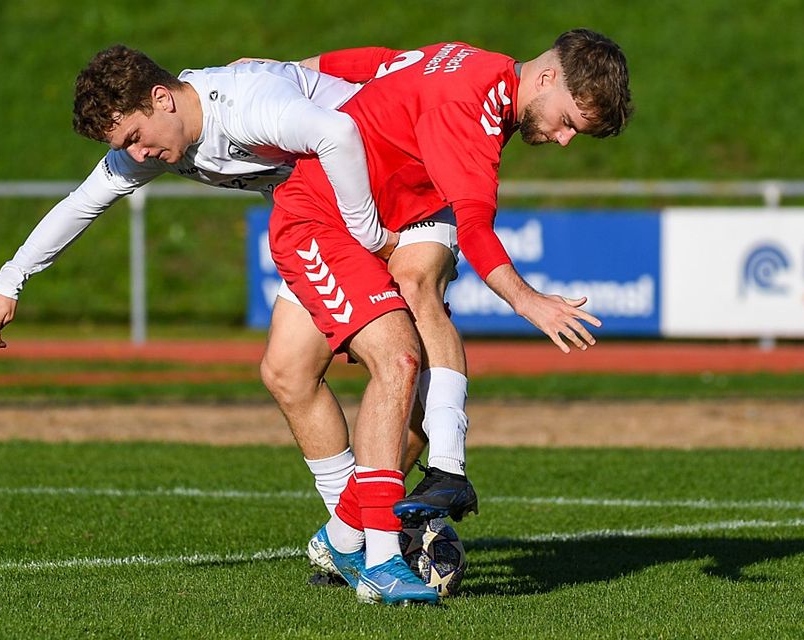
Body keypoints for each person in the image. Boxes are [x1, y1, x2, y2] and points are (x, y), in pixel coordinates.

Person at [0, 45, 471, 588]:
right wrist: (8, 281)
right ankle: (351, 535)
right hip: (324, 215)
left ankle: (390, 521)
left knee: (402, 361)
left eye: (136, 136)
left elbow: (340, 133)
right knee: (288, 371)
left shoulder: (245, 103)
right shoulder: (163, 139)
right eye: (124, 146)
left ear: (162, 99)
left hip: (398, 194)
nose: (135, 155)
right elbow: (82, 202)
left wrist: (368, 233)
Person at [267, 29, 632, 605]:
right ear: (546, 77)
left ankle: (430, 481)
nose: (563, 140)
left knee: (410, 317)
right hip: (340, 209)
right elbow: (479, 228)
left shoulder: (480, 63)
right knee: (286, 372)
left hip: (408, 209)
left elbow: (384, 63)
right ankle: (348, 530)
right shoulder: (473, 109)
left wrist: (292, 64)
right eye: (567, 122)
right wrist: (527, 299)